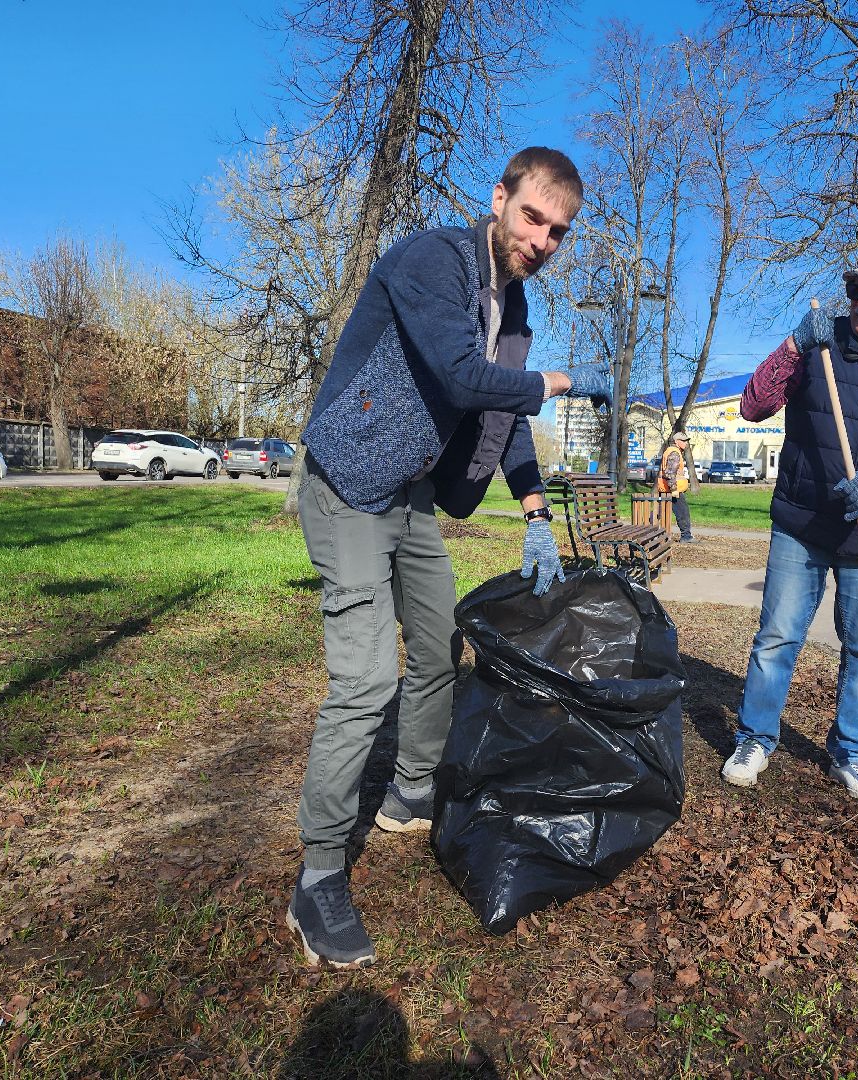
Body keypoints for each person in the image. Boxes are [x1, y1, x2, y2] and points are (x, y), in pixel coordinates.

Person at [287, 147, 609, 968]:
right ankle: (319, 875)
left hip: (413, 497)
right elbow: (467, 380)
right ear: (499, 200)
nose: (541, 238)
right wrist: (547, 384)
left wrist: (535, 509)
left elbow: (503, 423)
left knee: (438, 649)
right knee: (365, 682)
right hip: (350, 482)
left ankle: (411, 791)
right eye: (533, 217)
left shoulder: (518, 309)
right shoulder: (433, 259)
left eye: (558, 231)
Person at [721, 240, 858, 801]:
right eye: (856, 291)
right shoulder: (820, 344)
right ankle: (755, 737)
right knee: (777, 638)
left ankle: (851, 753)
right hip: (802, 521)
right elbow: (752, 405)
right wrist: (794, 345)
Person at [656, 430, 695, 542]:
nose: (686, 443)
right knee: (683, 512)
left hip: (666, 489)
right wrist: (673, 489)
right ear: (677, 442)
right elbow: (670, 472)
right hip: (673, 490)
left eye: (687, 441)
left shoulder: (672, 451)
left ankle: (646, 531)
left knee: (659, 513)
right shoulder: (674, 453)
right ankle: (686, 536)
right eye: (684, 441)